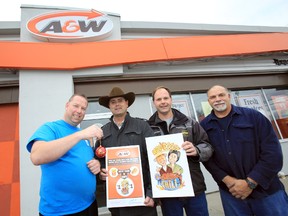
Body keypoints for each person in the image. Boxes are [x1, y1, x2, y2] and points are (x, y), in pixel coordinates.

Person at [200, 85, 288, 216]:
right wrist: (229, 181)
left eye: (221, 95)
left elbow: (272, 153)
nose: (217, 99)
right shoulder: (204, 126)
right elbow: (208, 160)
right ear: (209, 101)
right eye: (213, 97)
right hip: (232, 194)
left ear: (229, 97)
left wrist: (250, 183)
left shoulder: (254, 117)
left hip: (266, 191)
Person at [26, 94, 103, 216]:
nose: (79, 111)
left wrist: (97, 163)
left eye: (83, 108)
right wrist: (80, 135)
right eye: (76, 106)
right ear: (67, 106)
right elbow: (36, 156)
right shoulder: (51, 128)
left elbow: (85, 160)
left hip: (89, 205)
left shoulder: (84, 137)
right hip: (60, 211)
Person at [147, 86, 213, 216]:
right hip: (167, 190)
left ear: (171, 100)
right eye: (159, 99)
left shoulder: (189, 122)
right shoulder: (148, 127)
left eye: (166, 98)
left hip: (194, 187)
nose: (163, 101)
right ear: (154, 102)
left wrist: (197, 150)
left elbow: (208, 146)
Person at [95, 87, 158, 216]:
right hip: (117, 201)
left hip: (143, 199)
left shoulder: (142, 126)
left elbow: (155, 159)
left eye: (120, 100)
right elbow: (98, 160)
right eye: (113, 102)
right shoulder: (103, 132)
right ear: (109, 106)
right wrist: (101, 172)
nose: (117, 104)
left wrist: (152, 193)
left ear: (127, 103)